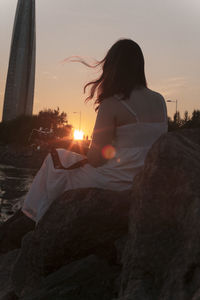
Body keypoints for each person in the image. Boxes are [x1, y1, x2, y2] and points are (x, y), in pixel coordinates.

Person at [21, 39, 168, 223]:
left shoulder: (113, 103)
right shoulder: (160, 101)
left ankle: (35, 221)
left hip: (115, 180)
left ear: (113, 68)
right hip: (145, 179)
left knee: (55, 160)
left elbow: (97, 159)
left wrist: (77, 150)